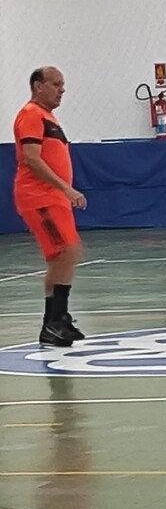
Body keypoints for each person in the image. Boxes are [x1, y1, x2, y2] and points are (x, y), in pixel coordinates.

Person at [12, 67, 87, 347]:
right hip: (40, 197)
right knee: (65, 251)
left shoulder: (48, 118)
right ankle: (54, 323)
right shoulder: (31, 115)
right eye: (55, 84)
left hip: (53, 198)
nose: (61, 89)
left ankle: (57, 318)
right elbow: (32, 159)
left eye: (63, 84)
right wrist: (65, 188)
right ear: (38, 86)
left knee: (65, 254)